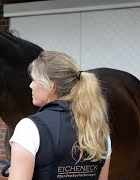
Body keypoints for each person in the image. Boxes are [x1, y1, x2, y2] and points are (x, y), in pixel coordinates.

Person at [8, 51, 111, 180]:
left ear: (51, 86)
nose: (30, 85)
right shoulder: (98, 128)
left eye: (34, 80)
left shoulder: (29, 128)